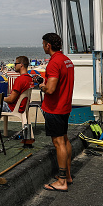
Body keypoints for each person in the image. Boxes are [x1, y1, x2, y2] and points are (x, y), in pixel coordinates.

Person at [38, 32, 74, 192]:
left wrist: (41, 87)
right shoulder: (67, 60)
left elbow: (51, 89)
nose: (43, 47)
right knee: (65, 140)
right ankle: (67, 175)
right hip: (65, 106)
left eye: (43, 44)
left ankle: (61, 181)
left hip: (55, 108)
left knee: (58, 143)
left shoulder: (54, 62)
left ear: (48, 45)